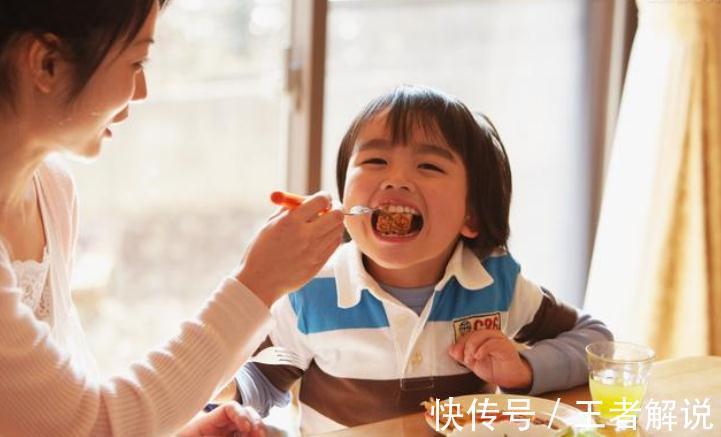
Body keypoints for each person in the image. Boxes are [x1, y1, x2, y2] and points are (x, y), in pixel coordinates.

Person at [0, 0, 344, 435]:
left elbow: (56, 410)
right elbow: (87, 424)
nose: (141, 90)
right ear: (46, 64)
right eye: (136, 61)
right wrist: (258, 283)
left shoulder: (51, 190)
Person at [229, 85, 614, 434]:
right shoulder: (312, 291)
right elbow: (255, 383)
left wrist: (524, 368)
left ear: (472, 216)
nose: (396, 180)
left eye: (428, 166)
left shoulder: (496, 283)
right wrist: (237, 413)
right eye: (375, 161)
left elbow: (596, 343)